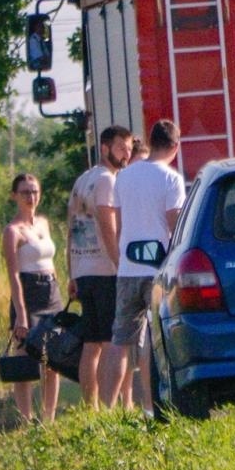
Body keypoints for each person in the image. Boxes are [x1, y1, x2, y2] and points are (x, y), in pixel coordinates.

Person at [100, 119, 185, 410]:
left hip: (127, 269)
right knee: (154, 337)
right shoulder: (171, 178)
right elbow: (175, 224)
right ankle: (152, 406)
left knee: (120, 341)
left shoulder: (124, 176)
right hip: (156, 270)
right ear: (175, 146)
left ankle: (105, 412)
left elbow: (120, 222)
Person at [67, 124, 133, 404]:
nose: (126, 154)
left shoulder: (83, 179)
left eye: (129, 148)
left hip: (83, 270)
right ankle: (108, 405)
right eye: (121, 148)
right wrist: (121, 266)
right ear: (104, 148)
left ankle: (90, 407)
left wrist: (71, 272)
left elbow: (70, 227)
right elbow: (109, 226)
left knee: (91, 343)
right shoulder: (107, 180)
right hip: (105, 270)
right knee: (108, 341)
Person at [3, 172, 62, 423]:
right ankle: (25, 419)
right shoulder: (12, 231)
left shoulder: (43, 223)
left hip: (51, 290)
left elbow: (49, 259)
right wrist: (21, 314)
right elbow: (14, 275)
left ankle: (48, 417)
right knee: (25, 357)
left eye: (35, 191)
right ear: (14, 196)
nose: (31, 196)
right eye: (25, 192)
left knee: (53, 359)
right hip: (29, 290)